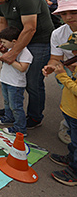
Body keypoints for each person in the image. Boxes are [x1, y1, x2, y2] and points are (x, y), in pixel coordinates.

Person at [0, 0, 54, 129]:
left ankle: (35, 117)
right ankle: (11, 110)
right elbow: (3, 22)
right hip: (16, 40)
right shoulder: (2, 0)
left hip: (38, 42)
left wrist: (12, 53)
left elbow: (30, 28)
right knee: (11, 78)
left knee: (33, 82)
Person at [42, 0, 77, 145]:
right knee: (70, 102)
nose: (68, 17)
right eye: (63, 13)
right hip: (68, 70)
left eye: (74, 12)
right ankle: (68, 126)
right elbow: (56, 58)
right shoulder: (58, 33)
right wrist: (51, 66)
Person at [48, 34, 77, 186]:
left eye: (75, 51)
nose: (73, 54)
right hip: (70, 110)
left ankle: (74, 172)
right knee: (73, 141)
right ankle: (71, 158)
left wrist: (63, 76)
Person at [0, 26, 33, 136]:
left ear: (14, 42)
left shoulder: (25, 53)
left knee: (16, 106)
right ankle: (8, 117)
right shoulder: (11, 50)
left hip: (15, 84)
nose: (3, 44)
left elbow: (22, 68)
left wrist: (8, 59)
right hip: (6, 80)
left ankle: (20, 128)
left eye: (4, 42)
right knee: (7, 102)